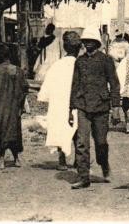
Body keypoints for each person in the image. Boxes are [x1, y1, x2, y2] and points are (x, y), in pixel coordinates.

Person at [68, 28, 121, 189]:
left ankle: (104, 165)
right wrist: (70, 109)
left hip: (101, 106)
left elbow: (114, 83)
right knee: (81, 143)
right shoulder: (79, 61)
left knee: (101, 143)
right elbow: (74, 85)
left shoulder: (106, 60)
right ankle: (84, 176)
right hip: (83, 105)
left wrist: (116, 106)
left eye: (91, 41)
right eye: (85, 41)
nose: (88, 44)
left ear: (97, 43)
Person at [37, 31, 81, 170]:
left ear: (64, 47)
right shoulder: (82, 65)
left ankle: (62, 160)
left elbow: (46, 88)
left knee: (61, 127)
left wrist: (47, 99)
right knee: (78, 128)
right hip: (77, 102)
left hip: (59, 103)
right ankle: (78, 159)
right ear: (79, 48)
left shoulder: (56, 66)